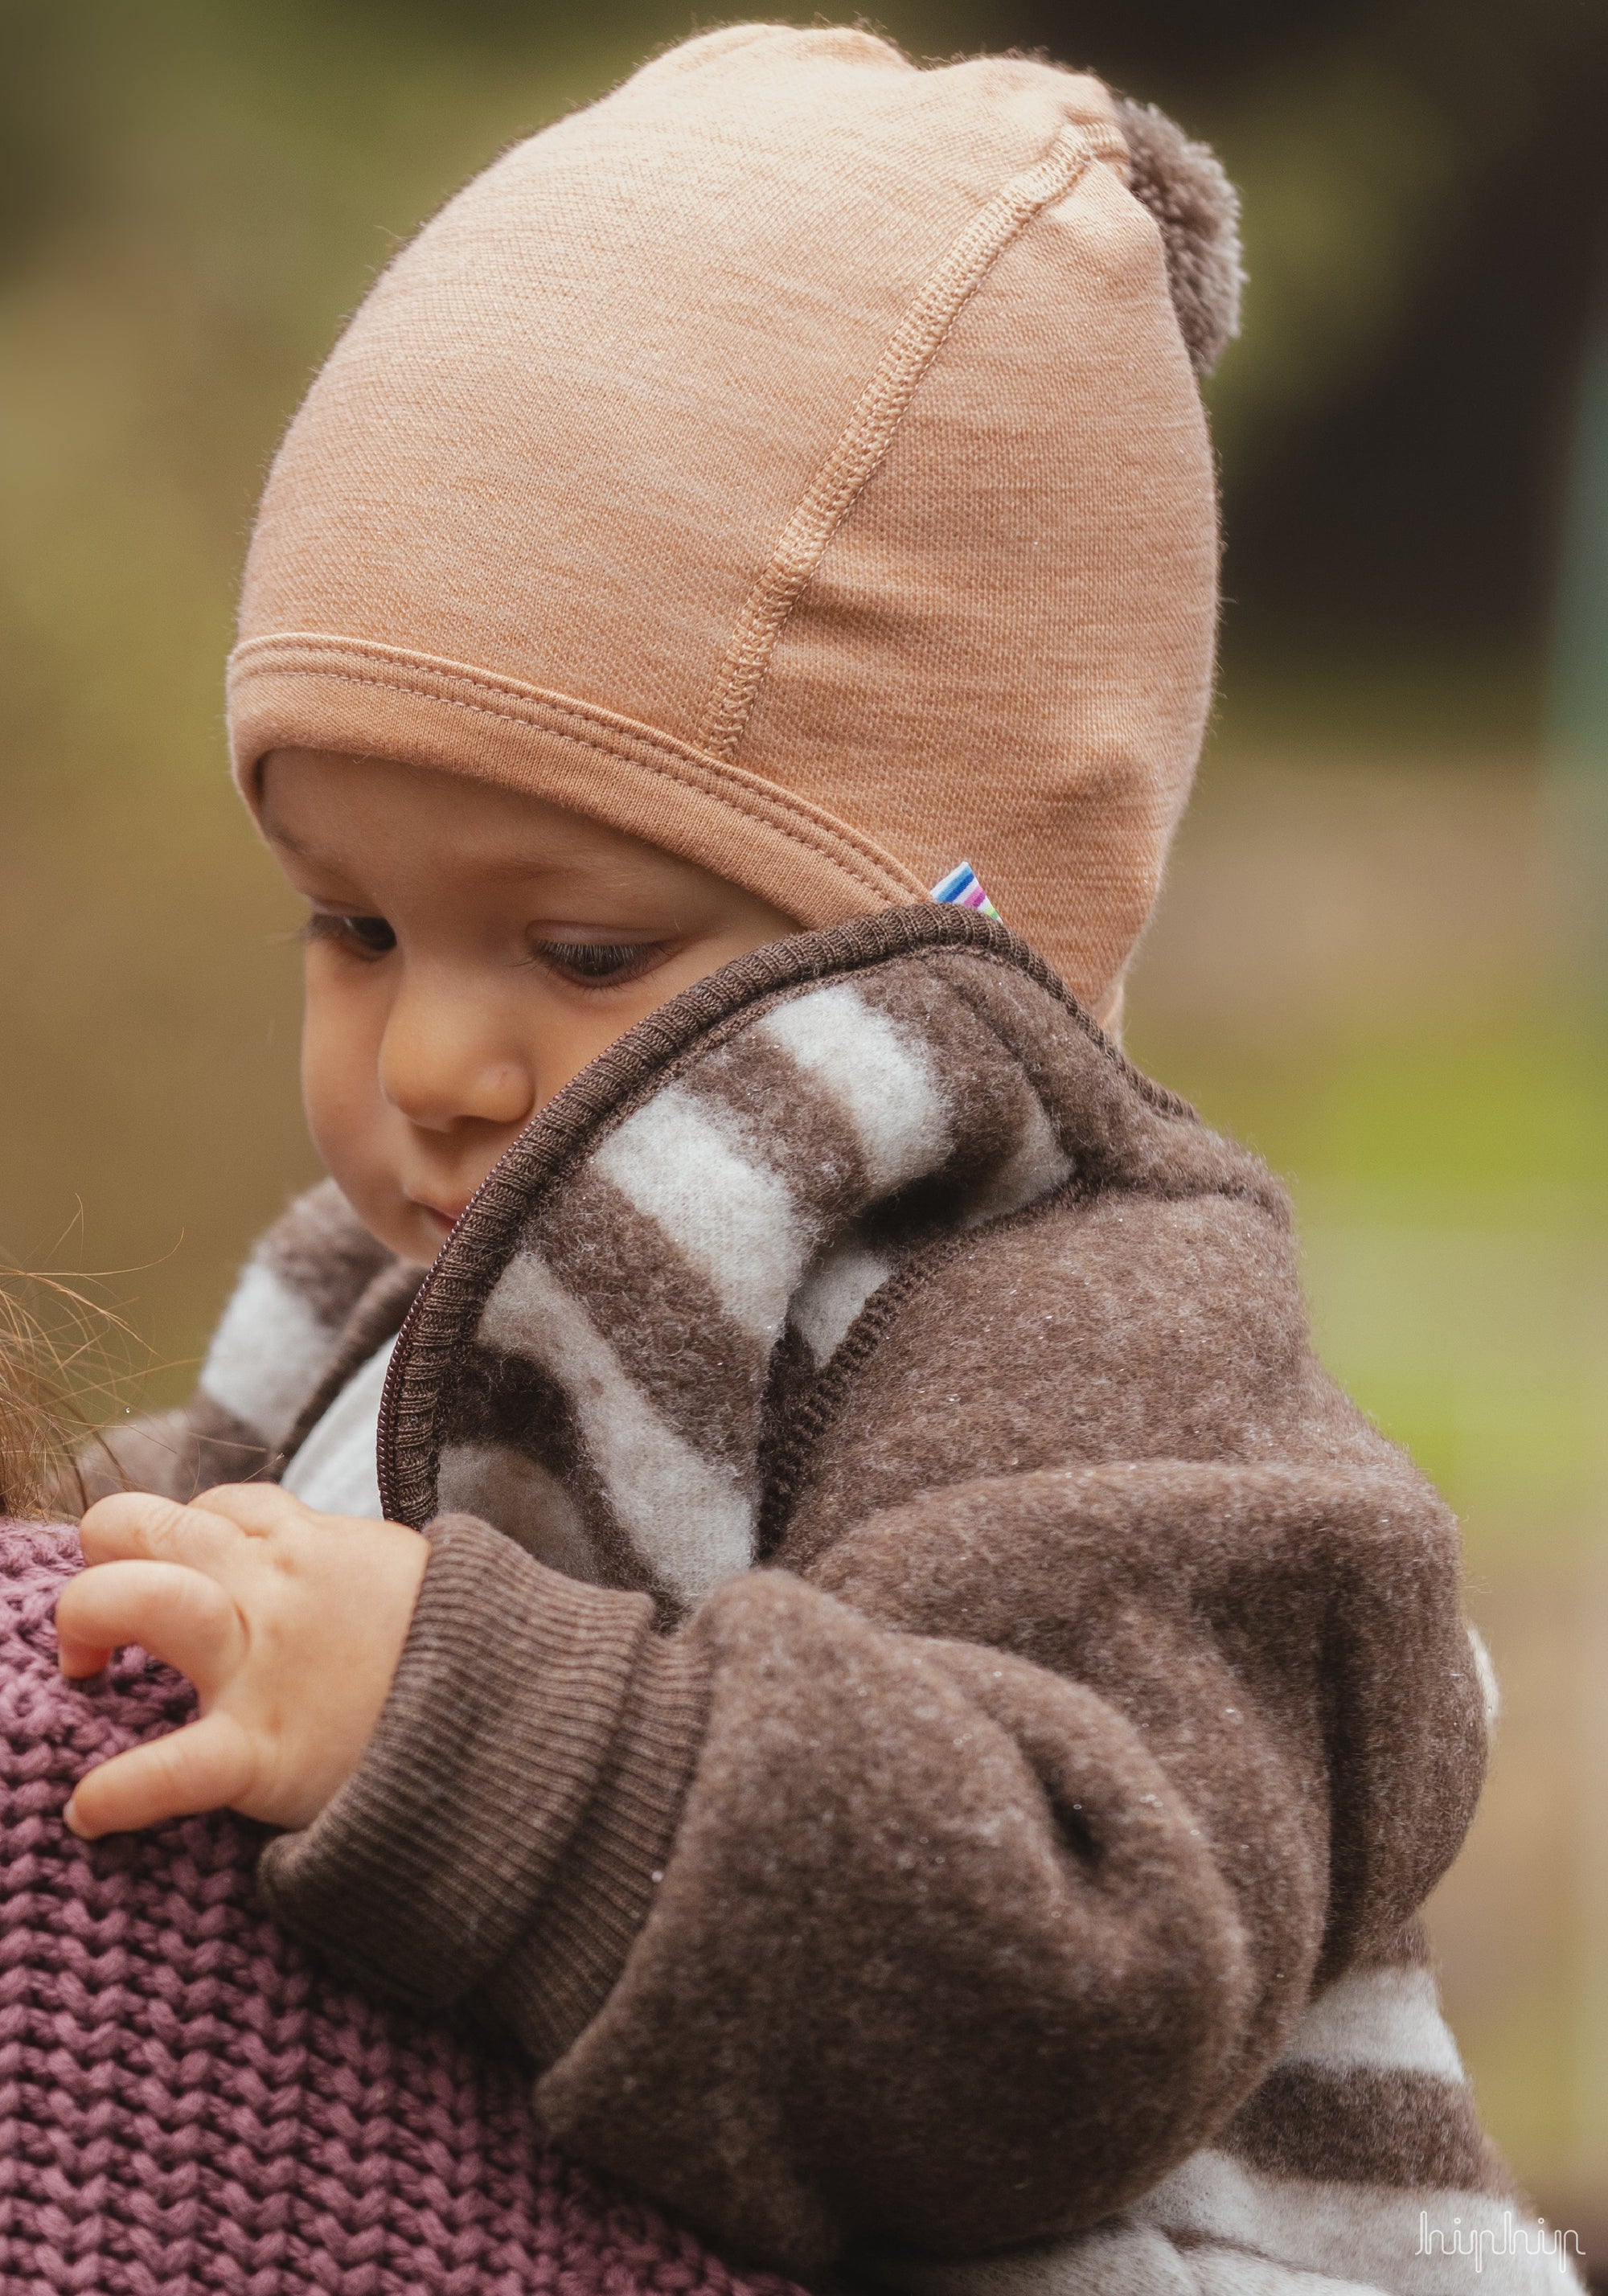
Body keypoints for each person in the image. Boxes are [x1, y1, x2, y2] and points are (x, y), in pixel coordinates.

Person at [51, 27, 1574, 2294]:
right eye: (354, 926)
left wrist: (463, 1736)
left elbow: (1081, 1973)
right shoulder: (391, 1331)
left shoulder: (1089, 1336)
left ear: (955, 932)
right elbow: (177, 1588)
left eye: (576, 944)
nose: (441, 1057)